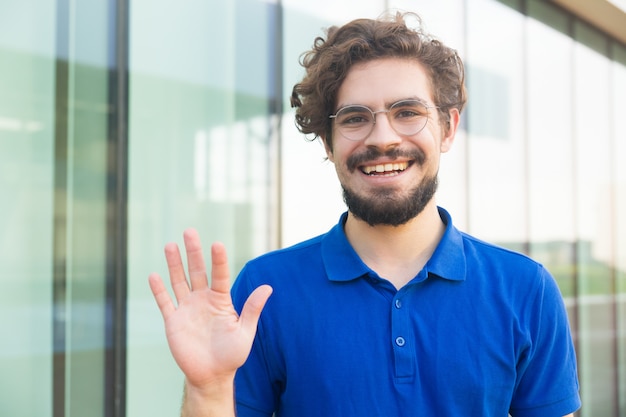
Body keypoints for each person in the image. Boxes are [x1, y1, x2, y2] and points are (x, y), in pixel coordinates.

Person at [148, 11, 581, 417]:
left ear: (448, 127)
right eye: (355, 118)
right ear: (327, 142)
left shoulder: (527, 290)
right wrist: (207, 389)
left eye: (407, 112)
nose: (383, 138)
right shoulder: (265, 292)